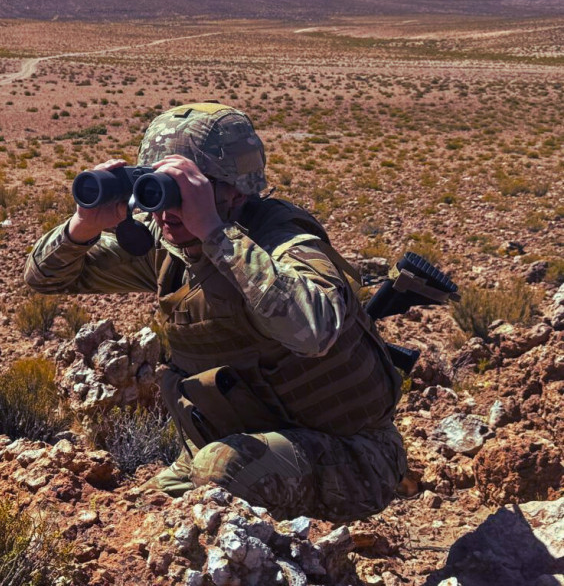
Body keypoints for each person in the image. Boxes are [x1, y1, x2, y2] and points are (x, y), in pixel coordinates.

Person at [25, 102, 406, 522]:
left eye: (189, 191)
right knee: (153, 516)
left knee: (219, 473)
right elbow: (45, 279)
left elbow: (313, 331)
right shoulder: (168, 244)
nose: (168, 211)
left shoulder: (283, 242)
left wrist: (213, 232)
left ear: (236, 191)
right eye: (157, 189)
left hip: (354, 458)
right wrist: (84, 225)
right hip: (241, 444)